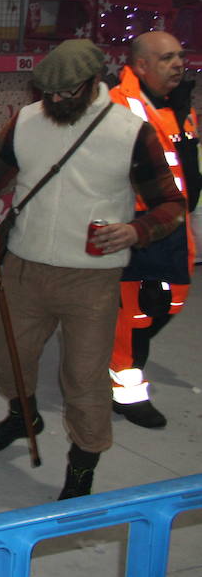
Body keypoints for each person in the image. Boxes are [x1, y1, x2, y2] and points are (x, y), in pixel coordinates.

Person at [0, 39, 185, 500]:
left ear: (91, 84)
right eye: (48, 94)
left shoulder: (131, 132)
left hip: (92, 279)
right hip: (25, 267)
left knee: (84, 379)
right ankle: (22, 416)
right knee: (7, 358)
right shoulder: (27, 121)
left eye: (66, 94)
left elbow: (173, 204)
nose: (55, 102)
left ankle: (82, 465)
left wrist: (135, 231)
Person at [106, 31, 198, 428]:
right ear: (141, 65)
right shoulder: (116, 104)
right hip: (139, 228)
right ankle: (126, 388)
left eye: (179, 56)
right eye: (167, 58)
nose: (178, 63)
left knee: (170, 302)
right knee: (136, 313)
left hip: (176, 227)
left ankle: (114, 357)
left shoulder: (178, 105)